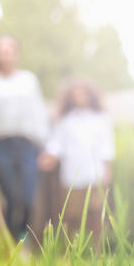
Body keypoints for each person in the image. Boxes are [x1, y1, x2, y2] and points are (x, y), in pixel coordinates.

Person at [0, 36, 49, 240]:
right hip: (0, 146)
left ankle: (21, 237)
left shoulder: (28, 80)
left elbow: (38, 113)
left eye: (9, 51)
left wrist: (45, 146)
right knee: (11, 196)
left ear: (16, 54)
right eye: (1, 51)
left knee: (27, 197)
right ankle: (11, 242)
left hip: (27, 145)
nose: (5, 55)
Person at [38, 79, 115, 244]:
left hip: (96, 174)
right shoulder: (65, 121)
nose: (79, 97)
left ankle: (98, 250)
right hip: (72, 175)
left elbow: (107, 146)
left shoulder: (101, 119)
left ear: (90, 95)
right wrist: (48, 157)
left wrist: (107, 169)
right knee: (72, 215)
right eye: (75, 94)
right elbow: (56, 144)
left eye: (83, 93)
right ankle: (71, 250)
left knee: (96, 212)